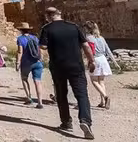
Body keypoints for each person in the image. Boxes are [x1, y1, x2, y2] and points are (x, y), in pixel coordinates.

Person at [39, 7, 96, 140]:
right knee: (82, 94)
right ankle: (85, 121)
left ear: (48, 16)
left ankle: (66, 122)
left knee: (61, 95)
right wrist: (91, 61)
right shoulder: (74, 27)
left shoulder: (47, 29)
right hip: (76, 66)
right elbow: (86, 45)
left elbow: (43, 46)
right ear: (59, 14)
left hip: (58, 66)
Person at [83, 21, 120, 109]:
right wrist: (115, 62)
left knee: (94, 81)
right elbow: (108, 50)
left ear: (87, 29)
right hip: (103, 59)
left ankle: (105, 96)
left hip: (94, 59)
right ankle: (102, 102)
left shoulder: (88, 38)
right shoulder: (101, 38)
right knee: (101, 81)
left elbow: (87, 51)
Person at [15, 22, 44, 108]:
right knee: (37, 82)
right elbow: (40, 49)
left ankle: (29, 98)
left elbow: (20, 51)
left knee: (24, 79)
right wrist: (41, 59)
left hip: (26, 63)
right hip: (37, 62)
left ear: (21, 30)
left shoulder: (20, 39)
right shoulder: (35, 38)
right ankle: (40, 102)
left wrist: (17, 63)